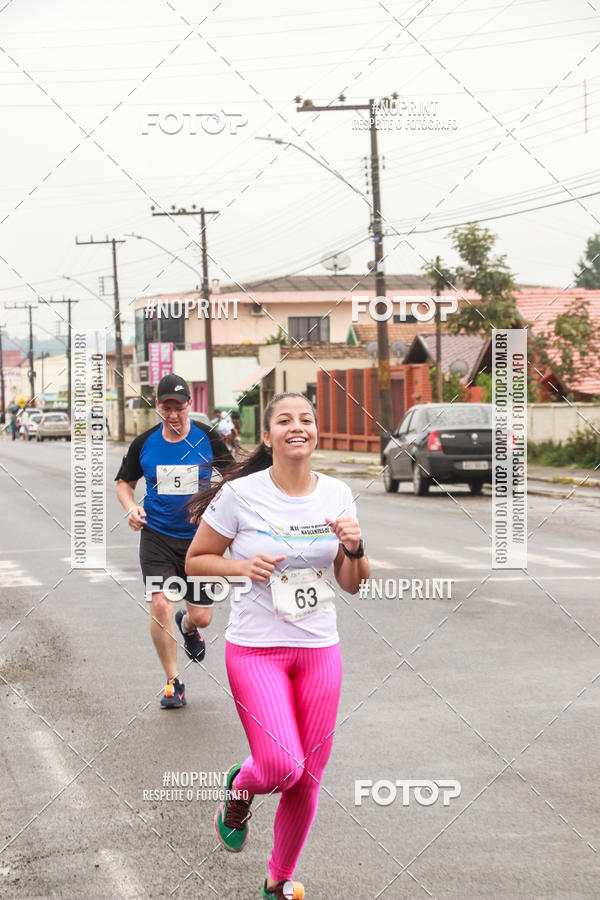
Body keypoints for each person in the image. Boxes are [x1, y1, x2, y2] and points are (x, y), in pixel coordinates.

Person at [186, 392, 370, 899]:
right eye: (284, 420)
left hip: (318, 649)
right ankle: (240, 789)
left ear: (316, 431)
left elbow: (353, 582)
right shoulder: (240, 495)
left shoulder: (336, 493)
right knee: (280, 766)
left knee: (307, 779)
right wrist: (240, 567)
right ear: (267, 436)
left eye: (306, 419)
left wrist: (355, 548)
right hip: (256, 649)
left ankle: (277, 881)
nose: (298, 427)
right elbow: (197, 559)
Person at [115, 374, 232, 709]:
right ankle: (173, 683)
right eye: (167, 408)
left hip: (200, 542)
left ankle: (188, 625)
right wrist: (131, 507)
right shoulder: (145, 443)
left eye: (179, 408)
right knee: (161, 604)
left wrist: (212, 506)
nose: (174, 414)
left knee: (204, 617)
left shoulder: (207, 438)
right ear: (158, 407)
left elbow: (233, 478)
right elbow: (124, 482)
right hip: (158, 537)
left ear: (188, 406)